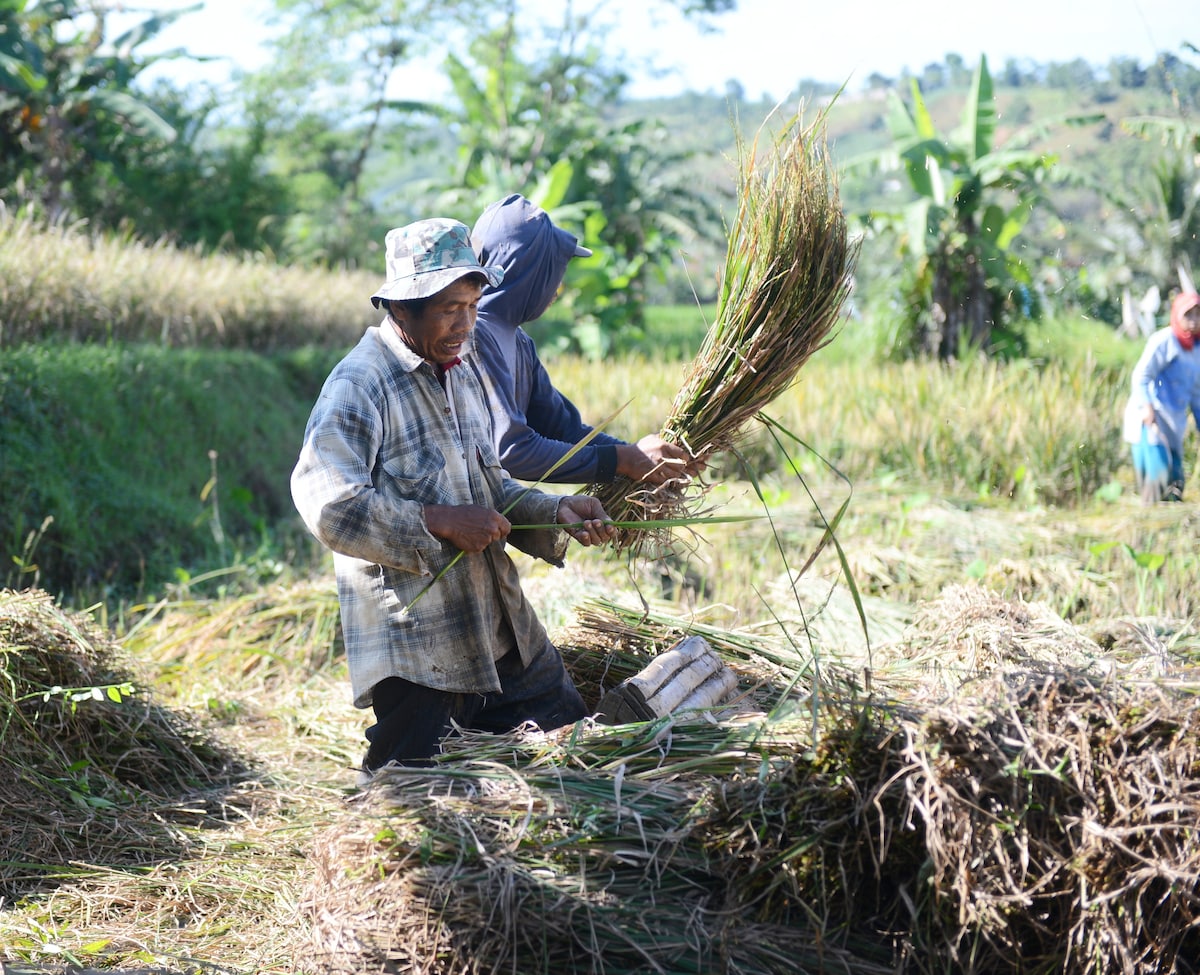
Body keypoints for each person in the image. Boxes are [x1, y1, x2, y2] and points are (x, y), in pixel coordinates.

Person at [290, 218, 616, 776]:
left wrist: (555, 511)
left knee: (572, 751)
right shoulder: (359, 386)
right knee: (405, 799)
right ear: (401, 309)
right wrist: (437, 522)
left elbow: (489, 487)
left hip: (500, 624)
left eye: (471, 305)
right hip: (422, 647)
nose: (464, 324)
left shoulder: (459, 373)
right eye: (448, 309)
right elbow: (329, 505)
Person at [469, 193, 693, 485]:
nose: (558, 289)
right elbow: (512, 451)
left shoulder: (519, 342)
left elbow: (563, 430)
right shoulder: (472, 336)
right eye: (554, 273)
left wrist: (637, 455)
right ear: (531, 272)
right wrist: (622, 460)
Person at [1121, 290, 1200, 503]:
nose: (1193, 321)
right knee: (1157, 480)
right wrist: (1147, 407)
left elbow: (1195, 393)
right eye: (1188, 315)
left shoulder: (1196, 349)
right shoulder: (1165, 341)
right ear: (1177, 315)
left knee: (1176, 483)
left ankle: (1173, 530)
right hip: (1152, 420)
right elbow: (1140, 376)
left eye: (1197, 315)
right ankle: (1149, 529)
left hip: (1174, 421)